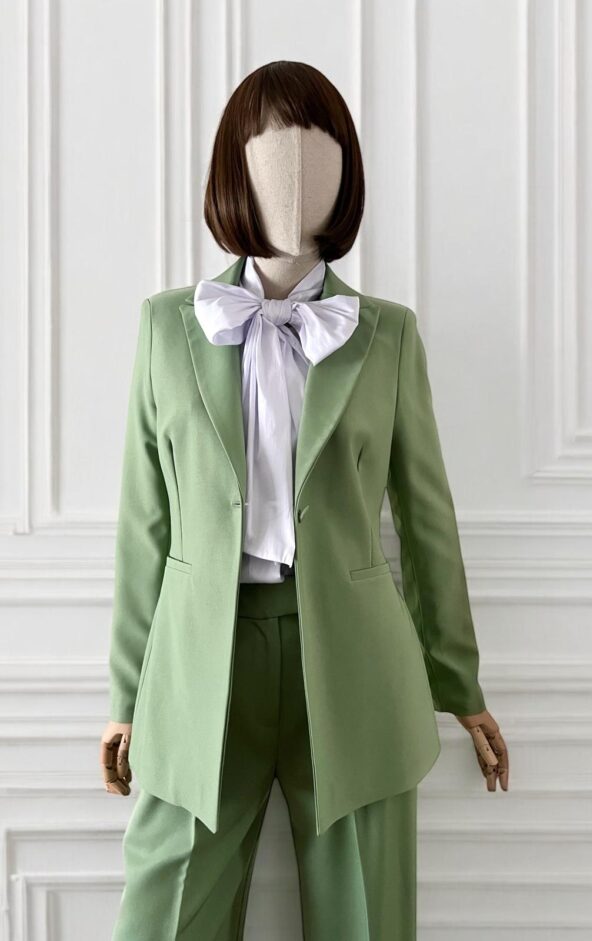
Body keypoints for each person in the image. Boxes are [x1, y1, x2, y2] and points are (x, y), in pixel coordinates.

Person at [102, 60, 509, 940]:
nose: (294, 176)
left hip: (354, 659)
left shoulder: (387, 335)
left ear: (346, 174)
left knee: (365, 916)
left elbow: (427, 521)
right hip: (202, 660)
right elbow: (145, 523)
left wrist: (459, 681)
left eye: (319, 154)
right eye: (270, 153)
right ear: (234, 170)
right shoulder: (167, 327)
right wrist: (127, 695)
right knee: (166, 918)